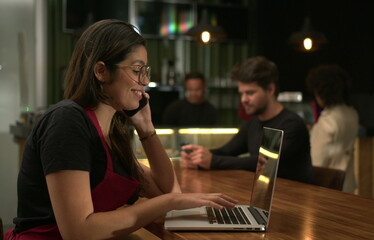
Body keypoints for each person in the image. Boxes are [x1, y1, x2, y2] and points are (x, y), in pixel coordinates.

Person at [5, 19, 237, 240]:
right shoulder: (67, 122)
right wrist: (170, 203)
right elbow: (77, 232)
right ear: (101, 71)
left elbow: (166, 190)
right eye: (136, 71)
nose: (144, 81)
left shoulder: (113, 133)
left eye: (145, 72)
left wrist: (146, 129)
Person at [181, 56, 313, 184]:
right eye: (241, 93)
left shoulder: (291, 124)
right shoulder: (253, 123)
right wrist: (196, 157)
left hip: (295, 200)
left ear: (270, 89)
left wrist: (213, 160)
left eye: (250, 93)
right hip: (264, 198)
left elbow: (264, 162)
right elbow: (226, 152)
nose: (243, 99)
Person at [306, 64, 359, 193]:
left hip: (327, 188)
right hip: (347, 184)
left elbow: (316, 163)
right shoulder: (352, 114)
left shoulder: (327, 121)